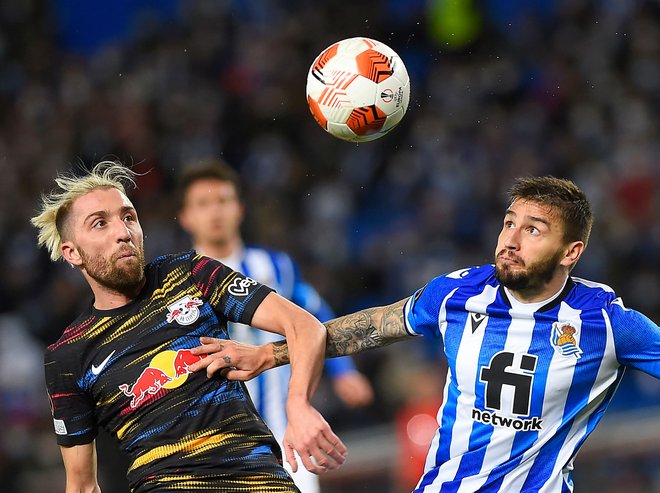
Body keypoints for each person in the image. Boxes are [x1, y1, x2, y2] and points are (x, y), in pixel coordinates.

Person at [189, 176, 660, 492]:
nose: (510, 240)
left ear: (570, 252)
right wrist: (268, 355)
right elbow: (372, 327)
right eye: (508, 223)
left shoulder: (608, 324)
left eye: (533, 230)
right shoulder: (458, 294)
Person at [30, 160, 347, 493]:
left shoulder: (189, 275)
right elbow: (80, 486)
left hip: (261, 480)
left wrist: (298, 404)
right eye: (100, 224)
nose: (122, 232)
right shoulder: (68, 356)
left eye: (128, 217)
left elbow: (305, 325)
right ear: (72, 253)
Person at [175, 159, 374, 493]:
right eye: (203, 204)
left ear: (239, 208)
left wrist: (344, 371)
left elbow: (316, 315)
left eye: (223, 201)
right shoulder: (176, 283)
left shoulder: (276, 267)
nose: (215, 212)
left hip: (285, 432)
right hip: (213, 442)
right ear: (185, 217)